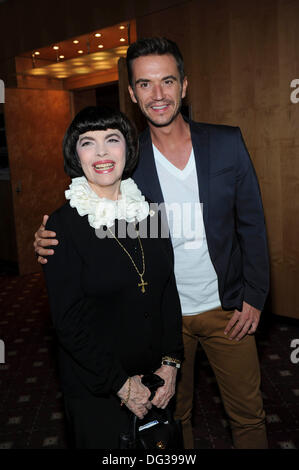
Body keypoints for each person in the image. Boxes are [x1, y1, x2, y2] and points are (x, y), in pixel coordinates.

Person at [34, 38, 270, 449]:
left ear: (184, 85)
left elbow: (251, 222)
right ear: (131, 93)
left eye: (167, 81)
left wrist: (256, 292)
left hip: (227, 307)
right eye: (145, 84)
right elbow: (98, 220)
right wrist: (50, 238)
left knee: (248, 415)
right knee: (170, 419)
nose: (157, 95)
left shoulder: (226, 142)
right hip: (163, 315)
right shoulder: (129, 161)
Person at [40, 105, 183, 449]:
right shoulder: (62, 225)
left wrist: (170, 364)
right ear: (76, 154)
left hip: (154, 381)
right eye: (88, 142)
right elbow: (68, 322)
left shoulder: (148, 209)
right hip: (98, 388)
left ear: (128, 148)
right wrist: (121, 384)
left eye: (112, 139)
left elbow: (167, 292)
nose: (102, 152)